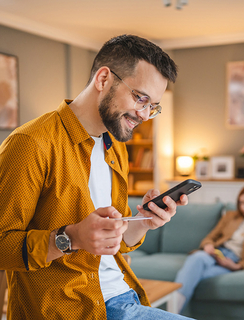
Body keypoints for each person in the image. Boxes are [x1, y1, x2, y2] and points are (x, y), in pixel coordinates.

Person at [0, 34, 195, 320]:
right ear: (103, 79)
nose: (143, 114)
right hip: (69, 310)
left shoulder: (115, 146)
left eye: (152, 106)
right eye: (140, 98)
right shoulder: (31, 143)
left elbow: (116, 238)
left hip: (123, 296)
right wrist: (70, 238)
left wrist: (144, 222)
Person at [174, 183, 244, 313]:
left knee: (194, 274)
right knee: (197, 258)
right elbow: (210, 237)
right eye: (240, 203)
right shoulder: (231, 216)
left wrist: (237, 266)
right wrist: (208, 245)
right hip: (215, 252)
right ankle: (172, 313)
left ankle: (172, 310)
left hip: (231, 261)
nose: (243, 207)